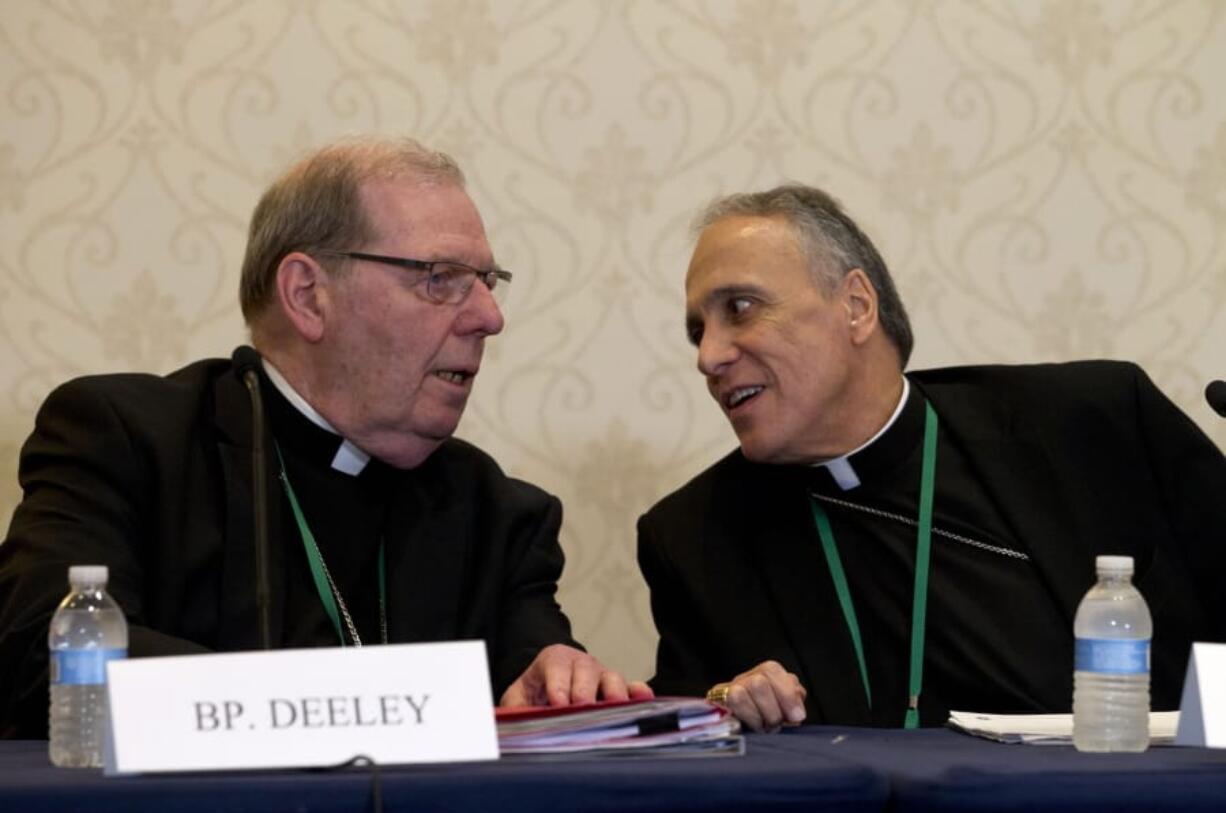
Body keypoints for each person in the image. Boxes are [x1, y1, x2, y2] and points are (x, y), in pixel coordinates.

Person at [0, 135, 647, 738]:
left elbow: (534, 678)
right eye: (440, 278)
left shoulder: (495, 510)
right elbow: (47, 654)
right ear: (308, 295)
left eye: (486, 281)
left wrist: (562, 677)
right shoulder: (128, 440)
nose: (489, 317)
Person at [637, 183, 1226, 732]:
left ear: (857, 306)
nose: (709, 356)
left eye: (740, 308)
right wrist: (729, 704)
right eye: (698, 331)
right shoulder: (693, 538)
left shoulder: (1093, 426)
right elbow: (687, 725)